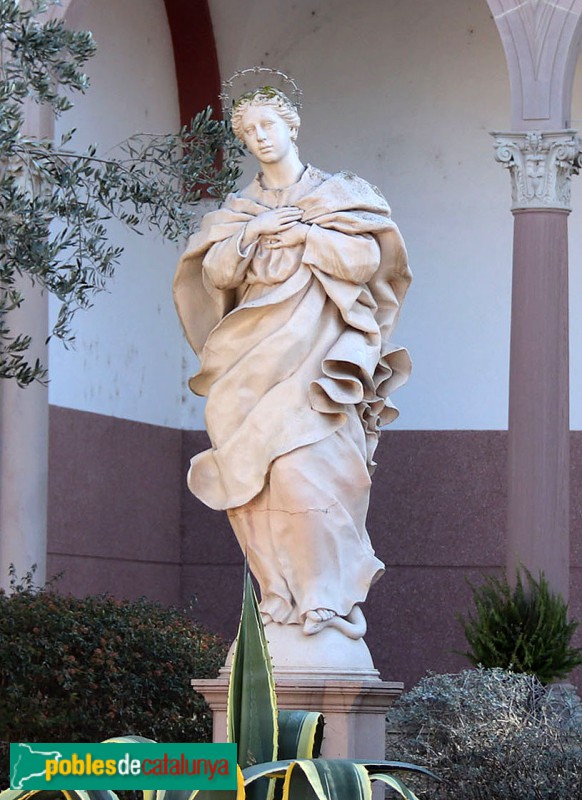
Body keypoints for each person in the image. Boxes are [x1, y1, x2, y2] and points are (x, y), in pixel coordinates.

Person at [174, 87, 411, 639]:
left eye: (267, 126)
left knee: (305, 473)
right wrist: (251, 237)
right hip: (247, 362)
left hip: (316, 364)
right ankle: (278, 594)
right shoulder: (238, 212)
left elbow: (366, 260)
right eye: (248, 132)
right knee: (255, 479)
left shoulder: (338, 196)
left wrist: (307, 235)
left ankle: (327, 599)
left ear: (291, 126)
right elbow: (215, 276)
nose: (260, 137)